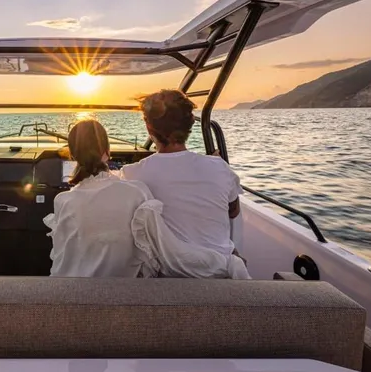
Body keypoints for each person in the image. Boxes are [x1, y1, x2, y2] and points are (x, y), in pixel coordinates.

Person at [44, 119, 249, 279]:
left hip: (74, 293)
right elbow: (169, 252)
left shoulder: (63, 201)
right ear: (107, 151)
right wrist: (227, 263)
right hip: (128, 295)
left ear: (72, 155)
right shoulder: (137, 193)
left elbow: (63, 258)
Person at [121, 90, 243, 258]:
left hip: (165, 274)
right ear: (190, 124)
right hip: (219, 269)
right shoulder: (219, 168)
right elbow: (233, 211)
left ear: (149, 127)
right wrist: (214, 165)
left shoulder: (131, 174)